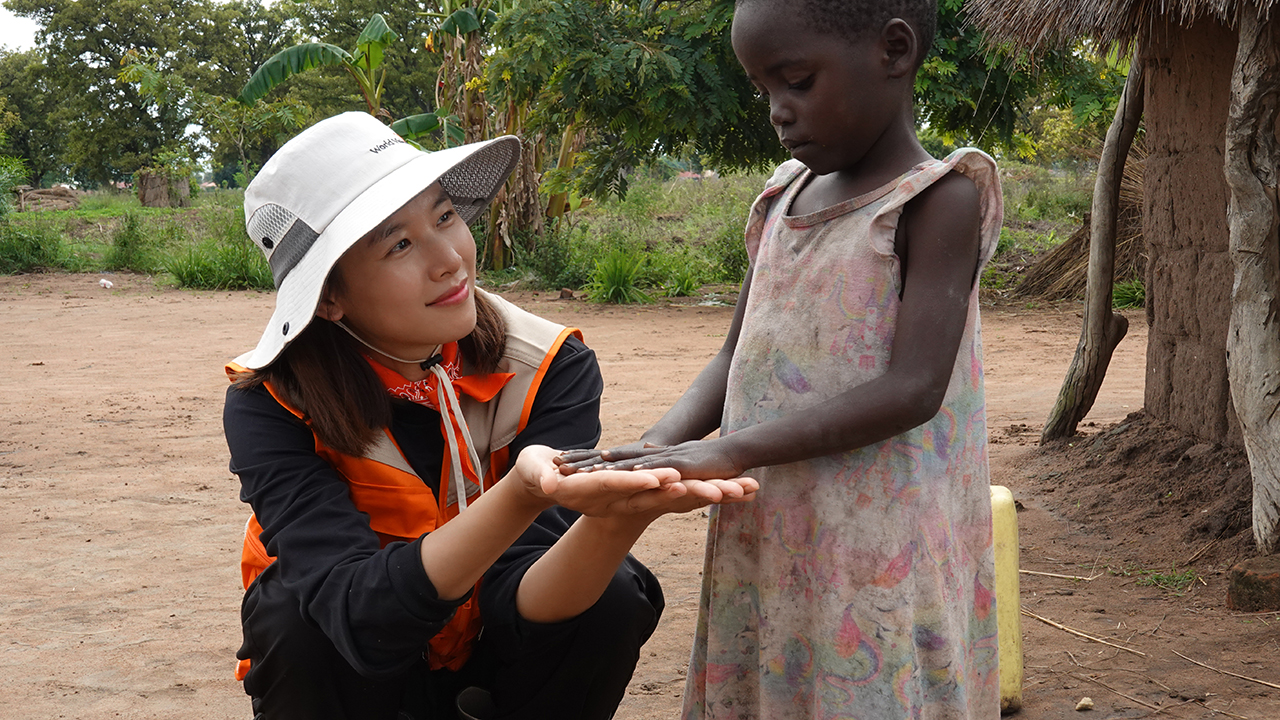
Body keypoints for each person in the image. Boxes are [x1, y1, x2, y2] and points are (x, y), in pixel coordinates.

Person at [222, 111, 757, 720]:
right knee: (295, 617)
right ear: (329, 297)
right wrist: (519, 494)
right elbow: (358, 617)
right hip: (357, 667)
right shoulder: (271, 402)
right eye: (399, 244)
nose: (450, 259)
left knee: (611, 595)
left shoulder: (550, 365)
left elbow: (518, 595)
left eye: (445, 216)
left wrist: (615, 524)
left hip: (489, 650)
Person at [557, 0, 1003, 717]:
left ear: (894, 51)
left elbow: (915, 388)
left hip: (878, 546)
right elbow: (734, 354)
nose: (778, 111)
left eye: (797, 82)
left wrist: (730, 450)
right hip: (770, 524)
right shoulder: (781, 196)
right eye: (764, 89)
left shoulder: (935, 199)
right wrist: (659, 448)